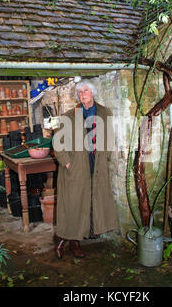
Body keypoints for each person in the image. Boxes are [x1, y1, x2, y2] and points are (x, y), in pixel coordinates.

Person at [53, 80, 117, 259]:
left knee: (90, 201)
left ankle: (81, 236)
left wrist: (106, 157)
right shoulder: (69, 116)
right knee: (73, 205)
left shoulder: (105, 113)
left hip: (96, 164)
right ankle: (65, 240)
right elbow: (58, 144)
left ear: (93, 92)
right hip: (76, 166)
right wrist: (67, 163)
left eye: (85, 91)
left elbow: (109, 138)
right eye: (79, 92)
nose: (82, 94)